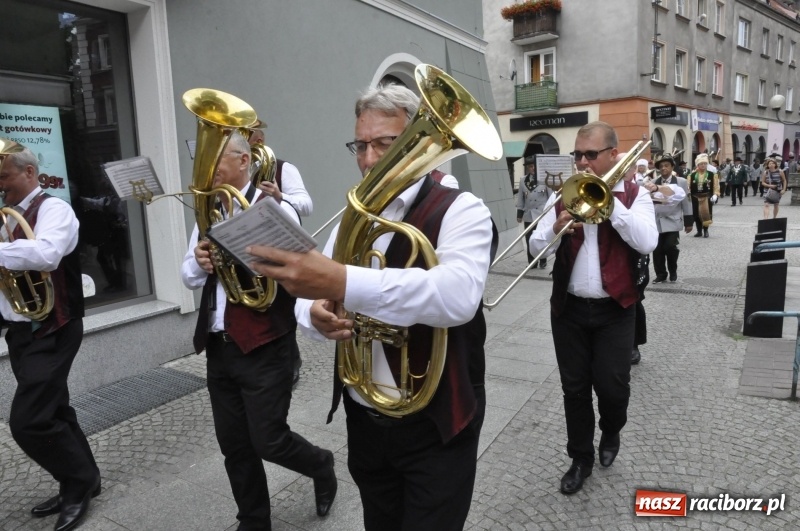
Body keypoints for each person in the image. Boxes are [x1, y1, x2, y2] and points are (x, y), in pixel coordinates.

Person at [245, 83, 493, 531]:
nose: (368, 159)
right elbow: (310, 287)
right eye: (360, 145)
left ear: (417, 144)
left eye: (384, 143)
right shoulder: (353, 215)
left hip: (435, 424)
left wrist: (342, 280)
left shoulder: (462, 209)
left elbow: (458, 297)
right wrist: (314, 314)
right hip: (364, 416)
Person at [180, 130, 336, 531]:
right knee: (234, 446)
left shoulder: (275, 210)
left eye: (215, 161)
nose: (206, 170)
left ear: (244, 162)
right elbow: (186, 275)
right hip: (219, 346)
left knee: (269, 440)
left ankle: (321, 464)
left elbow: (302, 272)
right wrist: (200, 262)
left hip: (266, 345)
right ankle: (253, 521)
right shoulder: (208, 210)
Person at [529, 121, 658, 495]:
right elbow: (536, 248)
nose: (582, 163)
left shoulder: (635, 195)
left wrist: (609, 203)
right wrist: (556, 227)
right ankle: (580, 458)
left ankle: (612, 428)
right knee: (574, 390)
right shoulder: (562, 196)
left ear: (613, 155)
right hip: (568, 309)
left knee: (613, 387)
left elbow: (647, 241)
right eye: (578, 155)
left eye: (591, 155)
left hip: (616, 309)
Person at [0, 144, 101, 531]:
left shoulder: (55, 209)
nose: (1, 185)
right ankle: (82, 478)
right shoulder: (7, 217)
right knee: (54, 409)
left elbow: (45, 255)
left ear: (29, 173)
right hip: (23, 331)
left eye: (4, 176)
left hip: (54, 326)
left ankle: (77, 483)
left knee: (29, 421)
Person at [248, 126, 313, 388]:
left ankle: (291, 362)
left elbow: (307, 206)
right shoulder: (236, 172)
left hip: (281, 247)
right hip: (250, 247)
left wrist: (280, 195)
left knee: (283, 309)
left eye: (250, 134)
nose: (250, 137)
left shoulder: (284, 169)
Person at [644, 154, 691, 284]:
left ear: (672, 167)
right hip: (657, 221)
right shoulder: (653, 183)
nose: (664, 168)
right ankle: (661, 274)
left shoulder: (681, 181)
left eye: (666, 165)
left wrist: (688, 221)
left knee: (670, 247)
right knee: (658, 249)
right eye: (661, 166)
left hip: (673, 220)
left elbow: (686, 202)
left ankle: (673, 270)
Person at [516, 155, 553, 267]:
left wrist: (550, 212)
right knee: (528, 239)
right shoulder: (523, 180)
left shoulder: (545, 179)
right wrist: (519, 213)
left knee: (541, 237)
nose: (532, 168)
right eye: (530, 166)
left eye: (533, 166)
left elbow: (551, 197)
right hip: (529, 214)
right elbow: (521, 198)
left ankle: (543, 260)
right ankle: (532, 262)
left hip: (541, 214)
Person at [686, 153, 719, 238]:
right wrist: (688, 192)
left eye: (705, 164)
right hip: (695, 197)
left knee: (705, 214)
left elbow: (716, 186)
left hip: (706, 196)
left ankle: (706, 231)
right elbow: (688, 186)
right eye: (701, 164)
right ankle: (699, 231)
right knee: (696, 214)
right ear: (698, 165)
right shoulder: (692, 175)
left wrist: (715, 194)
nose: (703, 165)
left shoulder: (712, 175)